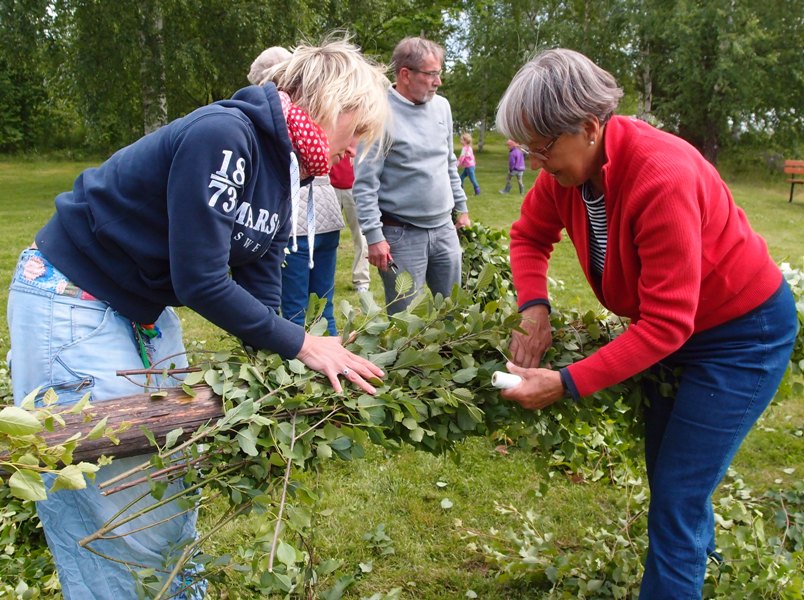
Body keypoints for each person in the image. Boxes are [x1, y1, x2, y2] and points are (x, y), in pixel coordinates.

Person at [6, 37, 389, 599]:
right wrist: (305, 343)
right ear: (336, 106)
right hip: (73, 295)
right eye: (357, 134)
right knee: (110, 496)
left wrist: (285, 368)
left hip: (138, 307)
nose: (351, 152)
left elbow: (260, 275)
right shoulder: (224, 136)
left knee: (169, 474)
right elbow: (201, 280)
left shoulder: (286, 172)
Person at [495, 48, 797, 598]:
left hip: (741, 337)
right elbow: (529, 236)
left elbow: (665, 325)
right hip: (679, 332)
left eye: (542, 149)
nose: (535, 164)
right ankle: (692, 565)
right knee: (671, 477)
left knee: (679, 493)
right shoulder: (568, 176)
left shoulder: (662, 175)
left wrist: (565, 383)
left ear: (589, 128)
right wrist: (534, 308)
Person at [353, 36, 470, 314]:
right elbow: (365, 184)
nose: (438, 82)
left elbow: (449, 162)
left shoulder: (442, 107)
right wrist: (374, 237)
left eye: (439, 74)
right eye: (431, 74)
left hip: (444, 229)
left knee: (454, 312)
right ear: (405, 74)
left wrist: (462, 208)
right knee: (405, 320)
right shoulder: (379, 113)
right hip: (400, 236)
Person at [280, 174, 344, 335]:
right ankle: (334, 357)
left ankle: (296, 357)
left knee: (295, 311)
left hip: (298, 220)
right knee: (323, 307)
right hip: (328, 212)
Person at [330, 156, 371, 293]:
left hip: (355, 186)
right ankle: (324, 279)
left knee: (361, 236)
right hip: (330, 185)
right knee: (325, 237)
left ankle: (361, 280)